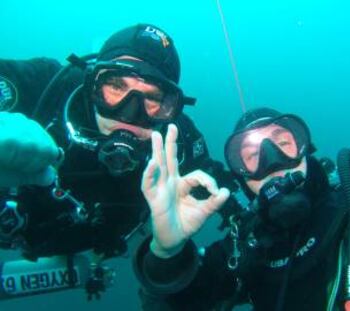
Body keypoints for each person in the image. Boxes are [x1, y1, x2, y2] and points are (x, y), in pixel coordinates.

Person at [0, 23, 238, 295]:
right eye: (115, 85)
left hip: (97, 243)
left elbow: (217, 184)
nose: (128, 113)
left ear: (169, 108)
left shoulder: (177, 141)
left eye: (152, 97)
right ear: (91, 84)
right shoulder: (44, 88)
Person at [134, 107, 350, 310]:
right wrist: (166, 252)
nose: (273, 161)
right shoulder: (242, 248)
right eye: (253, 155)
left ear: (305, 151)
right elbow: (171, 304)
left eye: (283, 143)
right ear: (242, 178)